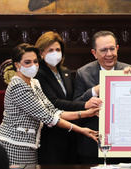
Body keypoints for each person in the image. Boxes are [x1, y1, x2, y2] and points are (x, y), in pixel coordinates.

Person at [0, 43, 99, 165]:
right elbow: (48, 118)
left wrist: (87, 113)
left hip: (30, 146)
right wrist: (81, 130)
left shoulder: (34, 82)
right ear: (17, 65)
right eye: (28, 62)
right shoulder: (18, 86)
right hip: (12, 145)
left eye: (35, 61)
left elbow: (53, 111)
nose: (33, 66)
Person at [34, 31, 100, 164]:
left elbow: (71, 100)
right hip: (51, 137)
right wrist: (85, 106)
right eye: (50, 50)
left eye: (58, 49)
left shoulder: (65, 72)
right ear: (41, 53)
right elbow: (54, 103)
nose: (55, 53)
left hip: (71, 135)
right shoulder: (38, 74)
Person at [73, 30, 131, 163]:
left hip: (124, 146)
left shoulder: (130, 70)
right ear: (94, 53)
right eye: (103, 50)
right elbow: (75, 105)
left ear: (117, 49)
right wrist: (94, 91)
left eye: (112, 49)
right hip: (92, 147)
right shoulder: (83, 73)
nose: (109, 54)